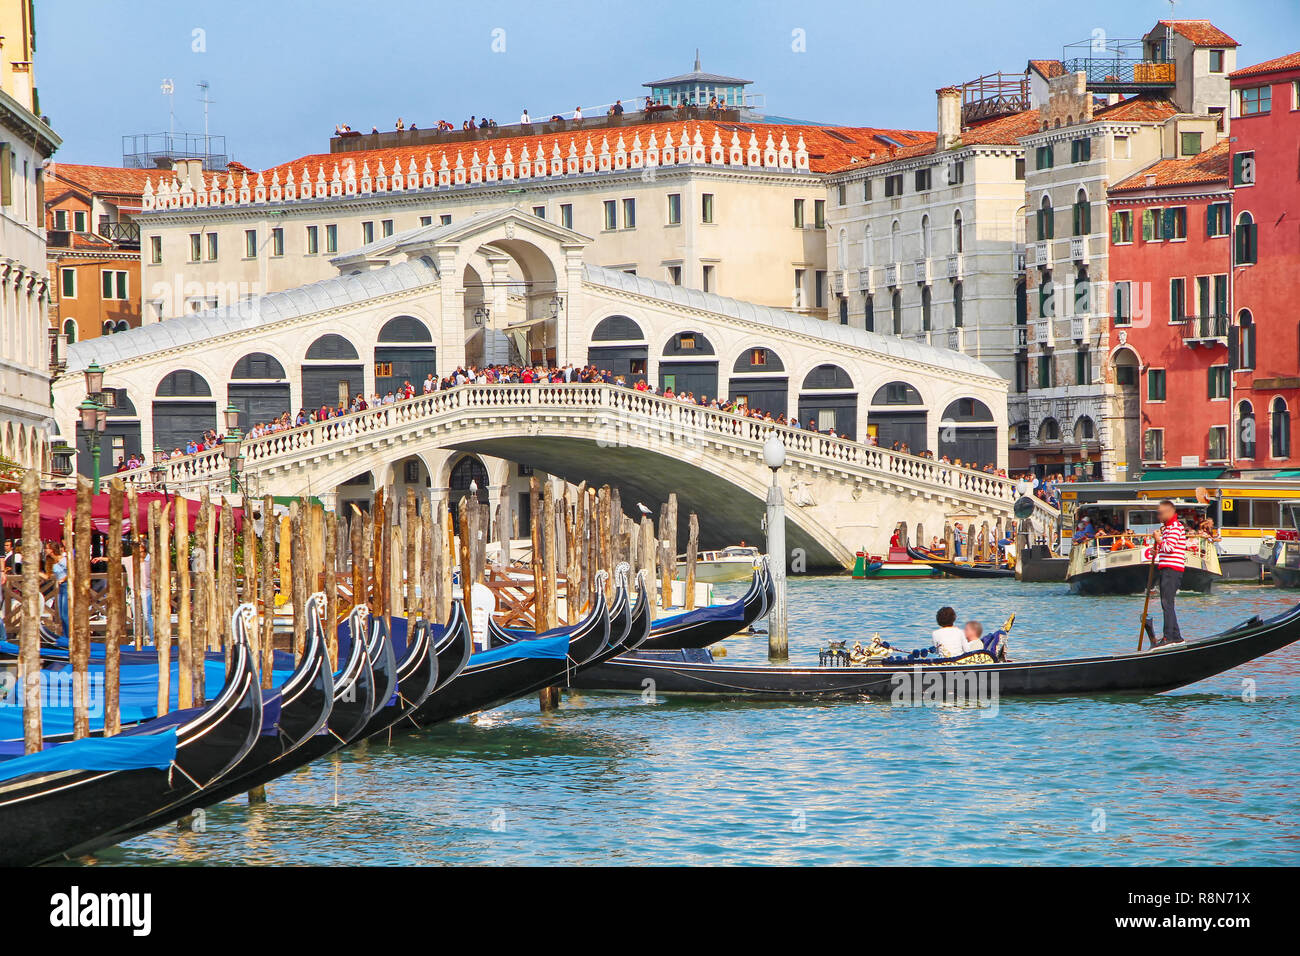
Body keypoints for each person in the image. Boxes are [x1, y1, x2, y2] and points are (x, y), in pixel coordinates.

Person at [1152, 499, 1187, 647]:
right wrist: (1157, 548)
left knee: (1167, 603)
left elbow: (1169, 548)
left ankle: (1168, 637)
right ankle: (1176, 636)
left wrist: (1159, 540)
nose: (1158, 516)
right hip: (1167, 568)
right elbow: (1164, 548)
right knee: (1168, 603)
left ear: (1169, 512)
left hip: (1172, 569)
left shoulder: (1175, 527)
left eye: (1160, 513)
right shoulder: (1166, 528)